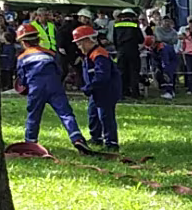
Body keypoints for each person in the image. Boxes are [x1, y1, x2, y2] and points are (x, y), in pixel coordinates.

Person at [13, 22, 90, 153]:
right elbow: (59, 70)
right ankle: (77, 138)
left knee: (33, 116)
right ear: (38, 39)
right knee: (66, 113)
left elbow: (22, 77)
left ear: (23, 42)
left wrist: (24, 87)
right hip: (55, 86)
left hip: (36, 88)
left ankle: (30, 143)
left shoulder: (22, 57)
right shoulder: (50, 53)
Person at [72, 25, 122, 151]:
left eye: (79, 43)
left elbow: (102, 76)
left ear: (88, 40)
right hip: (97, 91)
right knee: (93, 115)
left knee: (105, 117)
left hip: (106, 91)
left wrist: (89, 87)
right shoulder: (90, 54)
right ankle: (96, 138)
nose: (78, 46)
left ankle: (111, 143)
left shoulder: (99, 55)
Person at [112, 9, 144, 98]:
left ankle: (122, 92)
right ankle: (135, 93)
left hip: (121, 51)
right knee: (134, 72)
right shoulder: (135, 25)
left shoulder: (117, 25)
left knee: (122, 72)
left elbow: (114, 39)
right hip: (133, 51)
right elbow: (141, 39)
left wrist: (118, 49)